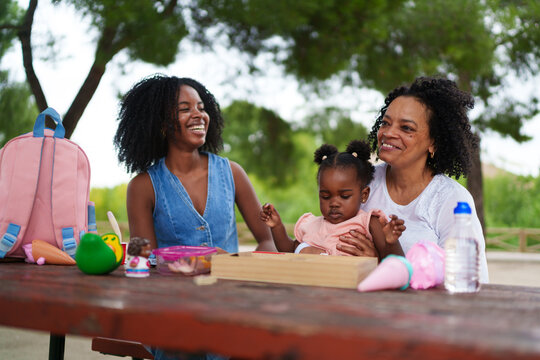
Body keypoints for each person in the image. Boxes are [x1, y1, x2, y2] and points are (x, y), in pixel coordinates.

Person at [114, 74, 275, 257]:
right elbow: (144, 259)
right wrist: (199, 258)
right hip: (171, 285)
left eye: (201, 108)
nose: (199, 115)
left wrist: (241, 265)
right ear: (162, 124)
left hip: (228, 284)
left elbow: (267, 240)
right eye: (184, 109)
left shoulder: (232, 173)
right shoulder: (142, 186)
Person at [347, 76, 489, 282]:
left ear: (434, 143)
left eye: (406, 128)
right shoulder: (362, 181)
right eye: (386, 123)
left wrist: (376, 263)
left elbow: (466, 281)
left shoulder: (452, 200)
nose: (388, 133)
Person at [260, 140, 405, 261]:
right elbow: (288, 250)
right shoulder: (310, 224)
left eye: (344, 196)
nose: (334, 203)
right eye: (325, 196)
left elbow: (395, 265)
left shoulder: (368, 223)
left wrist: (391, 242)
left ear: (364, 195)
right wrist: (276, 226)